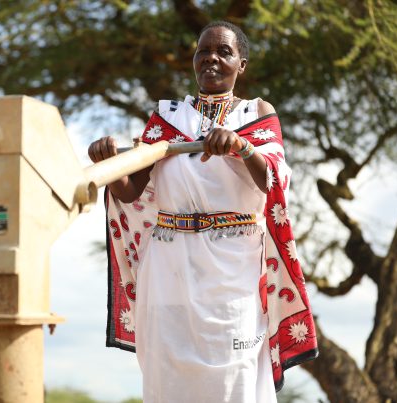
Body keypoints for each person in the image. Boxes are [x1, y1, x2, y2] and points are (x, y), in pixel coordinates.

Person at [88, 21, 318, 402]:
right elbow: (130, 192)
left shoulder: (257, 113)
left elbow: (272, 179)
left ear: (241, 64)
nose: (211, 58)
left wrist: (241, 147)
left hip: (234, 271)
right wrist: (110, 164)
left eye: (224, 52)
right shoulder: (167, 118)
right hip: (169, 269)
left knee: (234, 374)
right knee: (168, 376)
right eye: (203, 51)